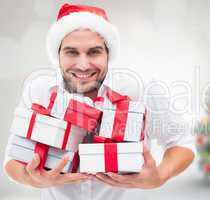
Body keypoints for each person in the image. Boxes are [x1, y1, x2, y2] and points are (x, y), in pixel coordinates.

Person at [3, 3, 195, 200]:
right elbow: (11, 162)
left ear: (108, 54)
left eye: (94, 52)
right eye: (71, 52)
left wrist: (159, 177)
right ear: (57, 55)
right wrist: (35, 180)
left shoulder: (141, 89)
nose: (83, 65)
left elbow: (183, 143)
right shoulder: (40, 89)